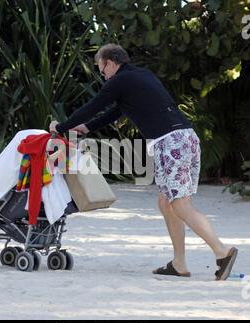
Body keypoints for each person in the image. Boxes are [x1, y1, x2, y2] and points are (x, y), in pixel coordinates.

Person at [49, 43, 238, 280]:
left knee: (179, 205)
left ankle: (221, 251)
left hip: (170, 144)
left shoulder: (119, 81)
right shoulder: (140, 76)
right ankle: (179, 263)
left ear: (110, 62)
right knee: (166, 202)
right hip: (187, 138)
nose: (103, 75)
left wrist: (62, 127)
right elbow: (116, 112)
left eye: (102, 69)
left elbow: (93, 106)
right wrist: (85, 128)